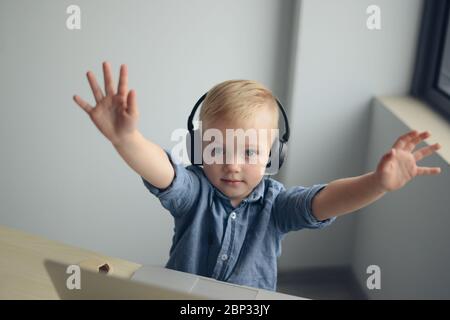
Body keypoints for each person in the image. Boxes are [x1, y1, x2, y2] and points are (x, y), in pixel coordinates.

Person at [73, 62, 442, 291]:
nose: (233, 165)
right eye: (218, 149)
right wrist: (128, 139)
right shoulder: (195, 193)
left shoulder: (277, 205)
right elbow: (164, 172)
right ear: (200, 149)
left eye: (249, 152)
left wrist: (376, 183)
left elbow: (325, 200)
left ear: (273, 155)